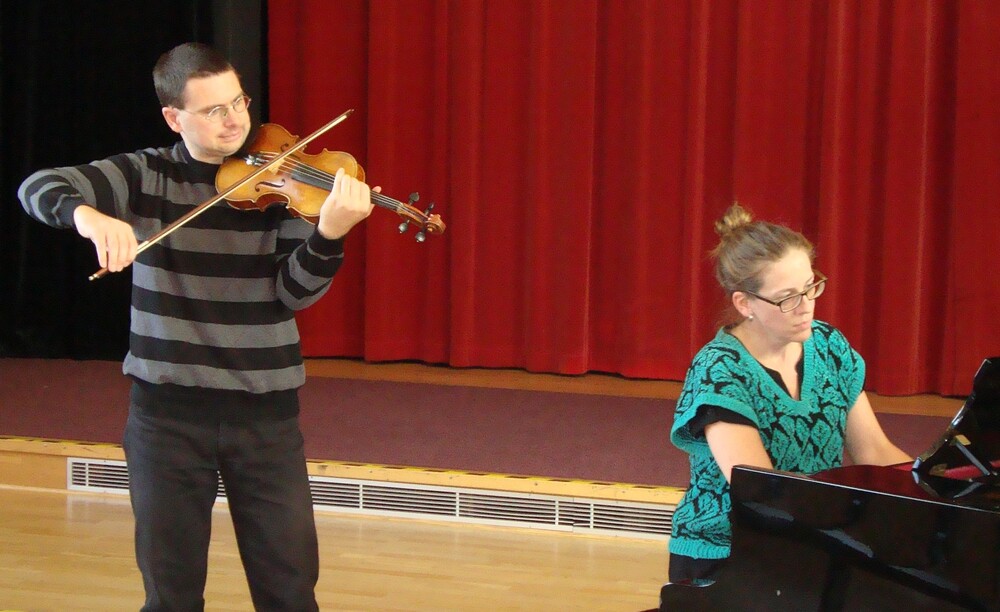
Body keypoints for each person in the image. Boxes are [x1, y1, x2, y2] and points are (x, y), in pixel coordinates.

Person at [19, 42, 376, 611]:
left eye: (238, 102)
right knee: (171, 593)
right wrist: (88, 217)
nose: (234, 119)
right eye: (213, 110)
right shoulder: (145, 176)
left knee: (289, 589)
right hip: (167, 417)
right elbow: (38, 187)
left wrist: (328, 235)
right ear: (173, 117)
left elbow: (292, 293)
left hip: (265, 415)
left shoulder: (284, 186)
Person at [666, 203, 911, 585]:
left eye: (810, 287)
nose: (806, 307)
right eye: (787, 298)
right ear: (745, 304)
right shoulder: (720, 370)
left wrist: (941, 499)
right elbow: (761, 488)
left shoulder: (829, 346)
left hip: (814, 538)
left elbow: (875, 453)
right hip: (728, 555)